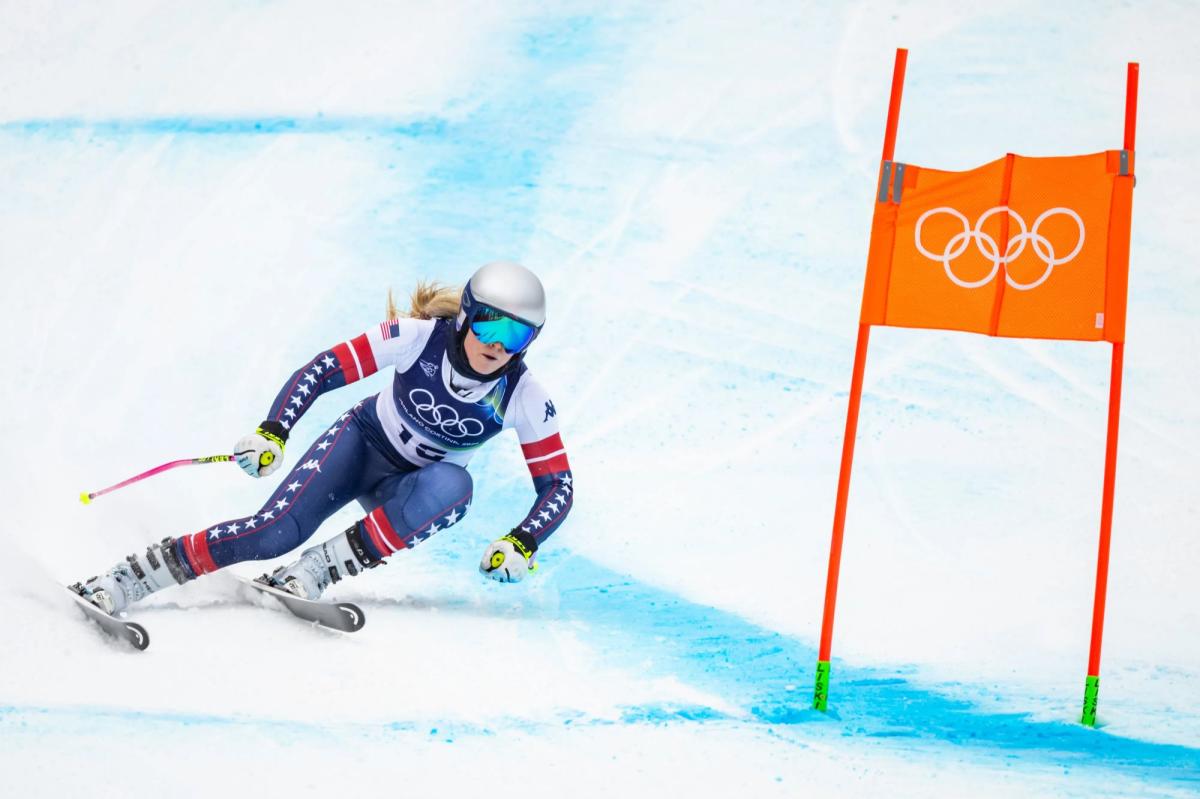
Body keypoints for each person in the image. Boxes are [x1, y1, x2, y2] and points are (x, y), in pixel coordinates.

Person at [74, 261, 573, 615]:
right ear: (464, 315)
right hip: (360, 446)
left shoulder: (524, 396)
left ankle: (317, 570)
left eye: (516, 336)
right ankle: (127, 578)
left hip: (408, 489)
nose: (497, 346)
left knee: (455, 487)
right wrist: (274, 430)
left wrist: (523, 540)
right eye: (489, 325)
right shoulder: (418, 338)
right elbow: (323, 369)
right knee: (271, 535)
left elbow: (558, 485)